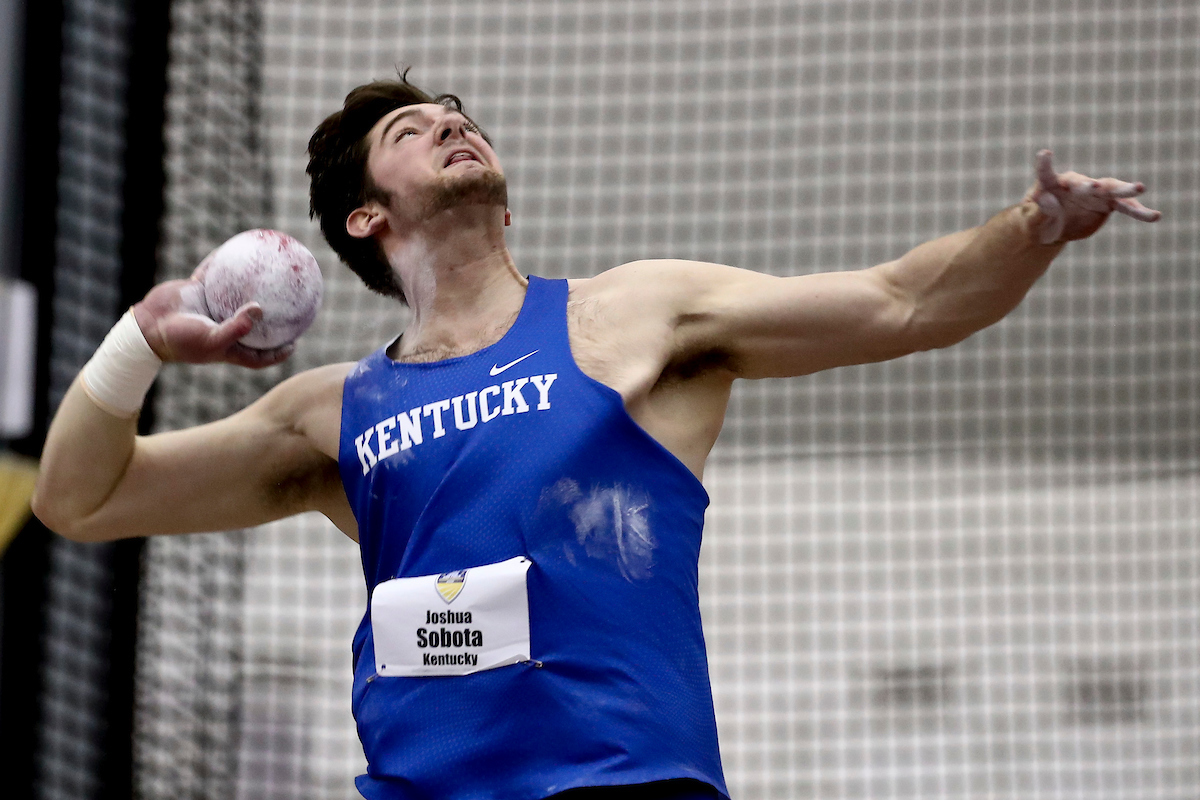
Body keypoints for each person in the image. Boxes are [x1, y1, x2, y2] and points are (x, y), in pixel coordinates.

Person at [32, 76, 1160, 800]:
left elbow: (901, 301)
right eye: (411, 131)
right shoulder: (333, 413)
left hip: (622, 785)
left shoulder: (631, 315)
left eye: (458, 116)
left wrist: (1034, 225)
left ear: (506, 200)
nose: (451, 125)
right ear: (367, 219)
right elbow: (80, 499)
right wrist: (141, 338)